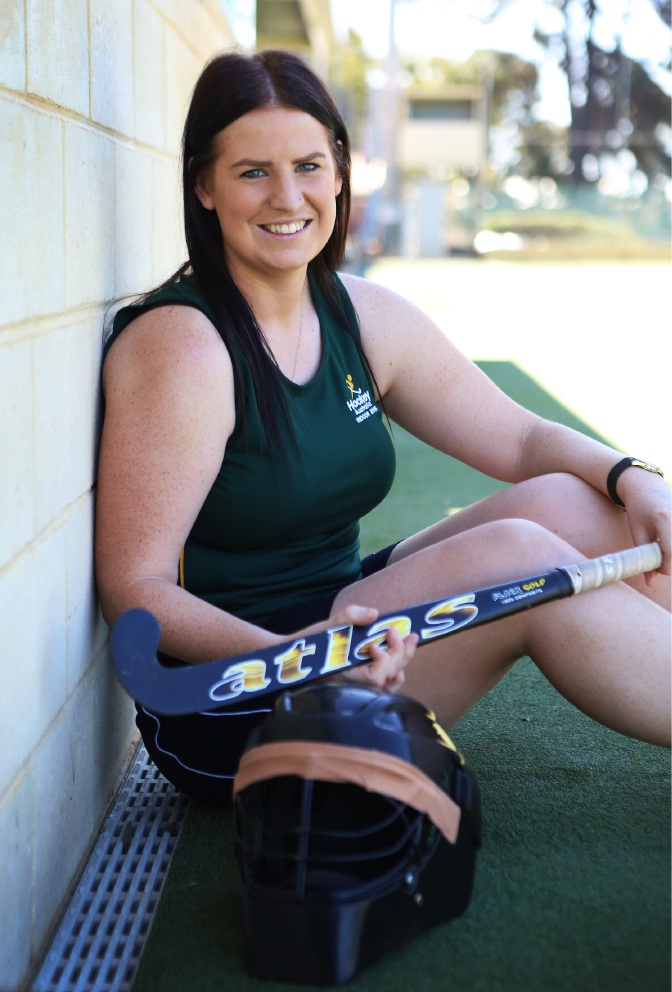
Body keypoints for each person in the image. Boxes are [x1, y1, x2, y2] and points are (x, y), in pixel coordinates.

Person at [95, 49, 670, 805]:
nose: (287, 196)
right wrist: (299, 654)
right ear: (202, 185)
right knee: (521, 556)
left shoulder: (358, 314)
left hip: (344, 616)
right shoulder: (183, 348)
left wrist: (638, 482)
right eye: (251, 172)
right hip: (243, 693)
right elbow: (134, 591)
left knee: (574, 500)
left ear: (338, 172)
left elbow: (523, 440)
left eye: (307, 165)